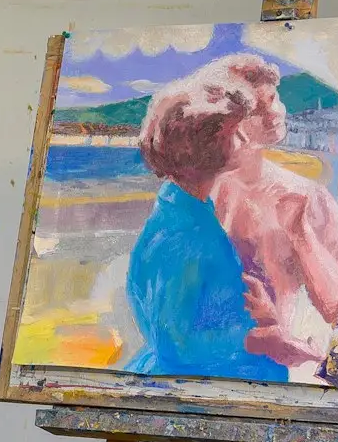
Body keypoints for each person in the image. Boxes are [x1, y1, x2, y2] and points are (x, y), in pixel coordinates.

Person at [125, 71, 297, 381]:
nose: (244, 139)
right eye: (235, 133)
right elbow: (176, 344)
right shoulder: (185, 235)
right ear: (205, 148)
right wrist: (256, 339)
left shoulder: (184, 210)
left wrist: (254, 311)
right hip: (196, 385)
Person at [208, 55, 338, 366]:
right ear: (228, 123)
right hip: (216, 359)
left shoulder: (305, 196)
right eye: (256, 110)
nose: (274, 113)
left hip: (279, 365)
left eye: (273, 99)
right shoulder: (205, 193)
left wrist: (300, 233)